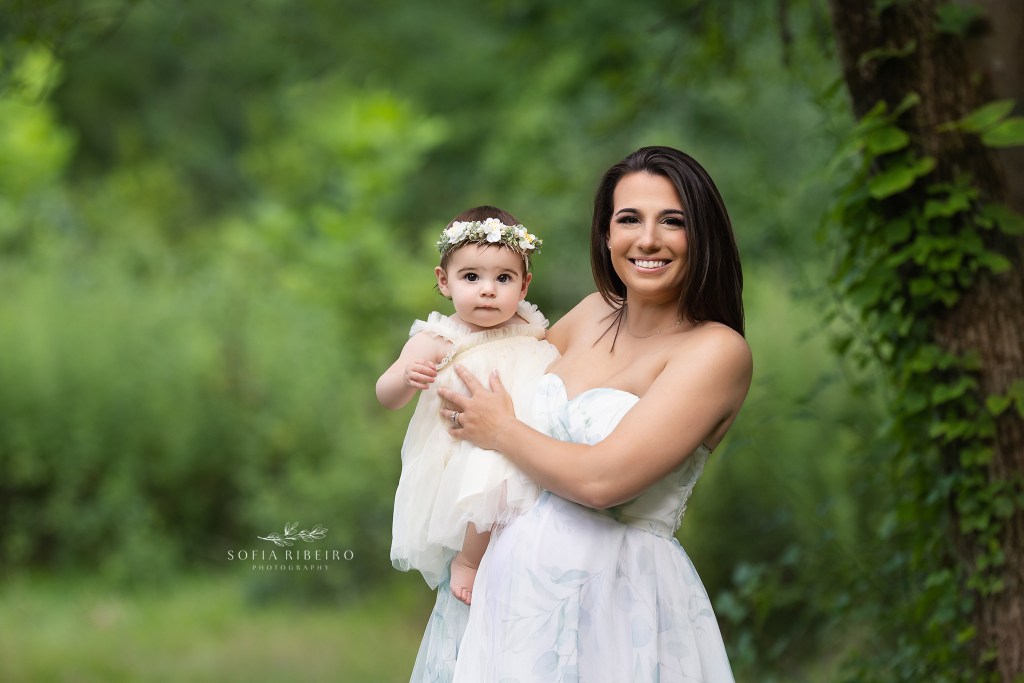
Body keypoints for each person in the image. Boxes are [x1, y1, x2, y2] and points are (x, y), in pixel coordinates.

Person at [412, 146, 752, 682]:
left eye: (672, 221)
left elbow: (602, 481)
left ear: (703, 234)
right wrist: (439, 360)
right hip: (504, 588)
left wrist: (500, 429)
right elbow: (499, 358)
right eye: (629, 219)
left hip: (616, 605)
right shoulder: (594, 312)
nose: (647, 239)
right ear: (606, 235)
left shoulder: (714, 352)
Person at [376, 206, 559, 608]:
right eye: (471, 277)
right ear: (444, 282)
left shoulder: (531, 328)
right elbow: (385, 395)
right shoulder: (438, 338)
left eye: (504, 278)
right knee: (488, 473)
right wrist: (406, 378)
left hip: (520, 436)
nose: (488, 289)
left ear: (524, 286)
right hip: (466, 446)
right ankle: (469, 561)